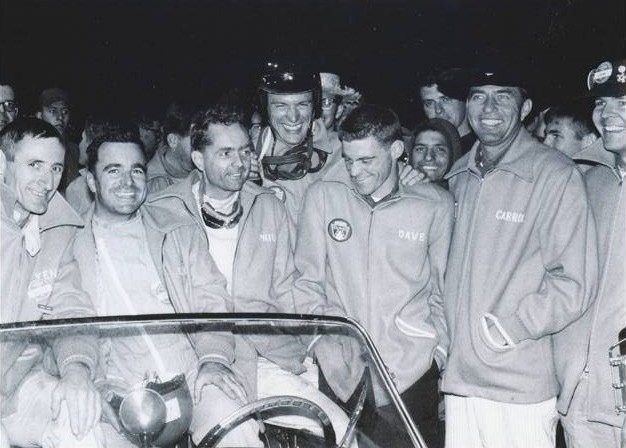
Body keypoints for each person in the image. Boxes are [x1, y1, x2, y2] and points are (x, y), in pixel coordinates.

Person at [148, 102, 356, 445]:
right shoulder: (162, 209)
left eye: (245, 151)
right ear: (199, 160)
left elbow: (286, 286)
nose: (241, 162)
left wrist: (311, 343)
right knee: (238, 437)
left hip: (263, 355)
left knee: (341, 428)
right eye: (226, 153)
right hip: (196, 359)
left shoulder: (267, 205)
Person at [72, 128, 259, 447]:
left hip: (194, 374)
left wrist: (213, 358)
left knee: (236, 426)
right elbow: (67, 330)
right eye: (113, 170)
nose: (127, 182)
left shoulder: (177, 229)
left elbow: (212, 299)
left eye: (136, 170)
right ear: (91, 181)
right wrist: (97, 384)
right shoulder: (72, 247)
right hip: (119, 391)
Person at [441, 67, 597, 448]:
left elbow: (574, 281)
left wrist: (510, 329)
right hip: (460, 382)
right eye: (479, 96)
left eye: (503, 96)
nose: (489, 107)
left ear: (525, 106)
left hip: (518, 384)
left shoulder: (553, 174)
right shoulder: (458, 175)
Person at [294, 104, 454, 447]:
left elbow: (443, 290)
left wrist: (436, 355)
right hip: (340, 371)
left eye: (366, 160)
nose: (355, 171)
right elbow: (306, 282)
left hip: (411, 373)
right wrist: (321, 345)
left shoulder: (434, 205)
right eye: (349, 160)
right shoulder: (323, 196)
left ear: (396, 150)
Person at [0, 117, 103, 448]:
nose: (47, 181)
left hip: (16, 386)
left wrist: (76, 369)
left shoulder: (56, 228)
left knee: (82, 424)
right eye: (34, 165)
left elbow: (70, 307)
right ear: (2, 163)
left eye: (56, 168)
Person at [557, 57, 626, 448]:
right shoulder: (582, 179)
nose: (607, 115)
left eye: (623, 103)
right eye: (601, 103)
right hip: (579, 396)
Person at [66, 115, 134, 215]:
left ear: (89, 144)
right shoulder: (129, 179)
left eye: (82, 138)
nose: (80, 143)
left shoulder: (77, 187)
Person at [418, 68, 476, 154]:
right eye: (429, 103)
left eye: (445, 100)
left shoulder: (480, 150)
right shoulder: (420, 149)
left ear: (465, 101)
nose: (438, 110)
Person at [146, 101, 197, 193]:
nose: (203, 148)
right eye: (195, 141)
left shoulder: (210, 173)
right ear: (173, 140)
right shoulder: (147, 186)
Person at [36, 88, 80, 192]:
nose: (60, 117)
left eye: (65, 111)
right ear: (39, 116)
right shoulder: (31, 149)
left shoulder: (73, 150)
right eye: (52, 111)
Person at [410, 117, 462, 188]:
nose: (428, 157)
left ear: (452, 156)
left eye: (439, 150)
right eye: (420, 149)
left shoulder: (463, 195)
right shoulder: (397, 191)